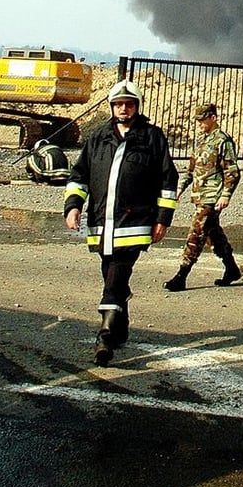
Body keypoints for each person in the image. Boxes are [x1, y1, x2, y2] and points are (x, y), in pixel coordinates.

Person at [63, 79, 179, 366]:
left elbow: (168, 180)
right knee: (110, 273)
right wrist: (73, 206)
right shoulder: (98, 138)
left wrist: (163, 218)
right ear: (111, 107)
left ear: (137, 107)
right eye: (118, 104)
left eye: (128, 104)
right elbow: (79, 176)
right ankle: (121, 323)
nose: (123, 109)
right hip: (103, 224)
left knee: (116, 275)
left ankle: (105, 336)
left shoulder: (152, 137)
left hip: (135, 223)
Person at [163, 103, 242, 292]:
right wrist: (180, 188)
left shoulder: (223, 141)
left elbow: (232, 172)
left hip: (211, 198)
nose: (199, 124)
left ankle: (181, 275)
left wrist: (225, 195)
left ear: (213, 118)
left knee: (196, 234)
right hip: (200, 195)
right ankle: (232, 269)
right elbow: (192, 170)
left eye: (202, 120)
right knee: (214, 236)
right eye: (197, 120)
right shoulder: (201, 140)